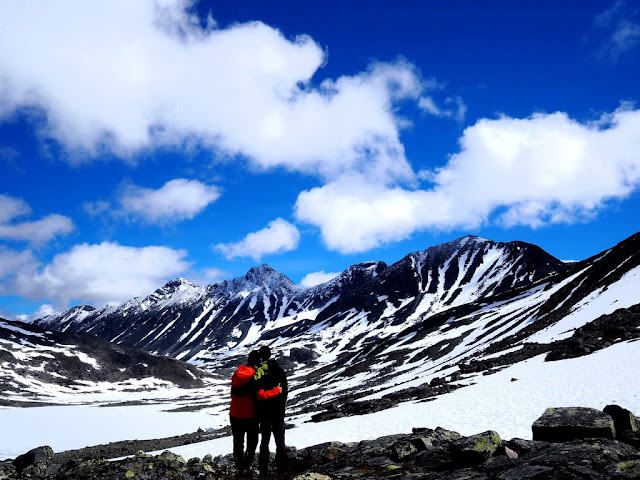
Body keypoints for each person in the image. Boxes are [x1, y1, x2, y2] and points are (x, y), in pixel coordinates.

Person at [229, 350, 281, 478]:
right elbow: (261, 395)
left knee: (238, 442)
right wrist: (276, 390)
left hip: (235, 414)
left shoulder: (236, 373)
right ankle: (246, 466)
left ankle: (239, 468)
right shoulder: (254, 375)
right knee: (252, 442)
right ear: (257, 363)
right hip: (250, 415)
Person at [256, 345, 289, 476]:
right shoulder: (279, 371)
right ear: (270, 355)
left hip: (264, 413)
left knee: (265, 441)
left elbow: (257, 394)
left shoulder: (260, 372)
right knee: (280, 441)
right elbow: (285, 391)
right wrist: (282, 406)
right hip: (278, 412)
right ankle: (283, 470)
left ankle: (263, 471)